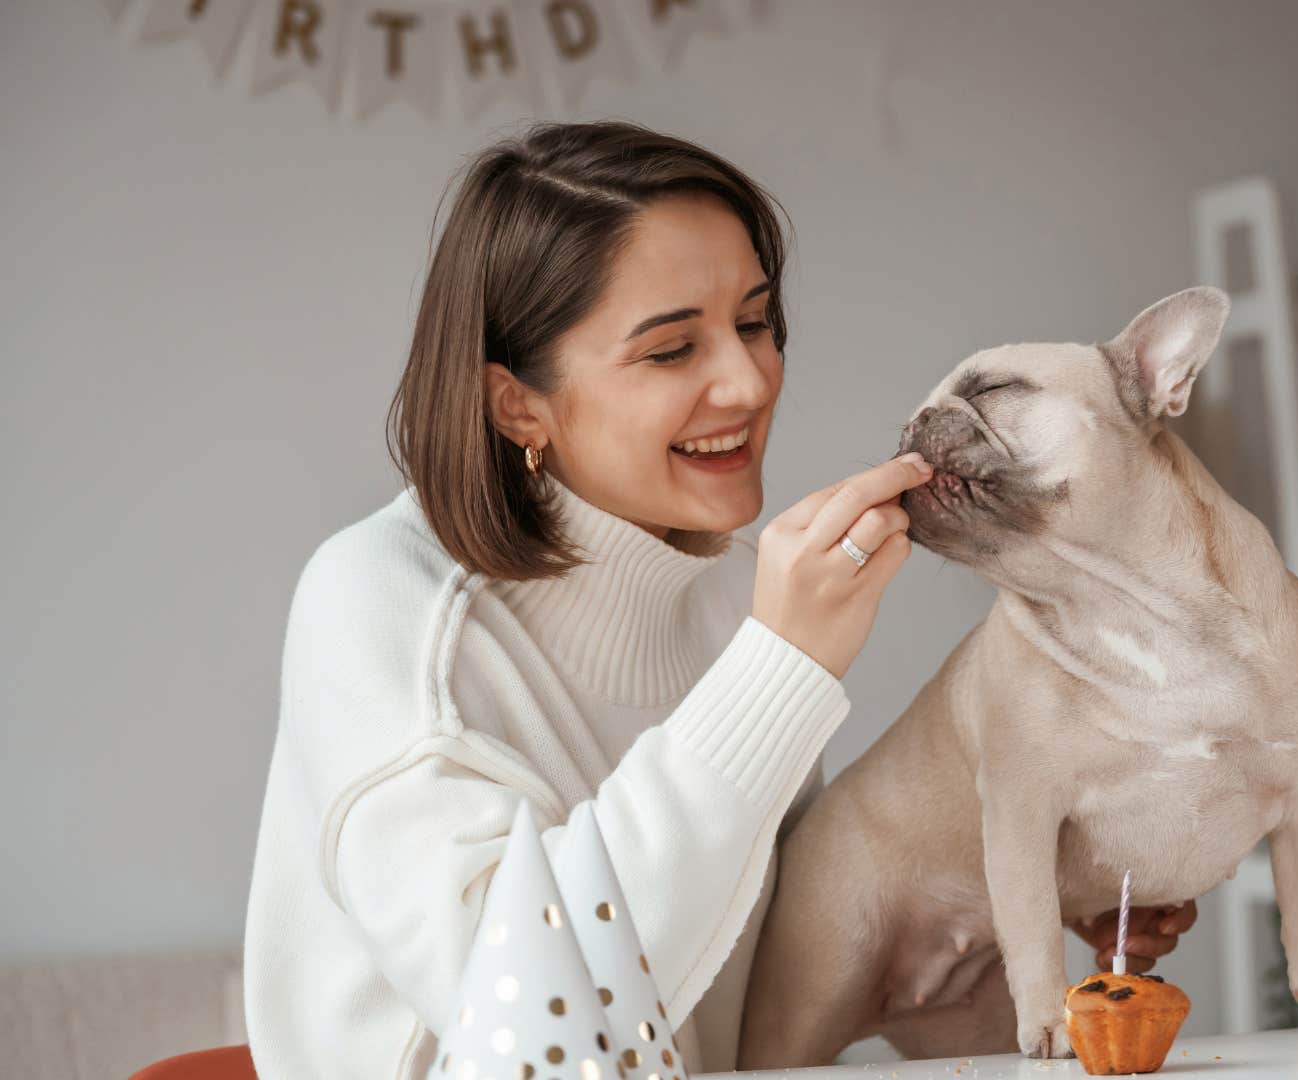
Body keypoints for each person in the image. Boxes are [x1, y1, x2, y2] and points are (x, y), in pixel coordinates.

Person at [242, 120, 1191, 1080]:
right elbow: (522, 1017)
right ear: (517, 404)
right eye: (669, 351)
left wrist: (1013, 885)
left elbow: (762, 960)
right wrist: (778, 668)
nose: (747, 381)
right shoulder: (381, 604)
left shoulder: (736, 592)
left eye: (753, 322)